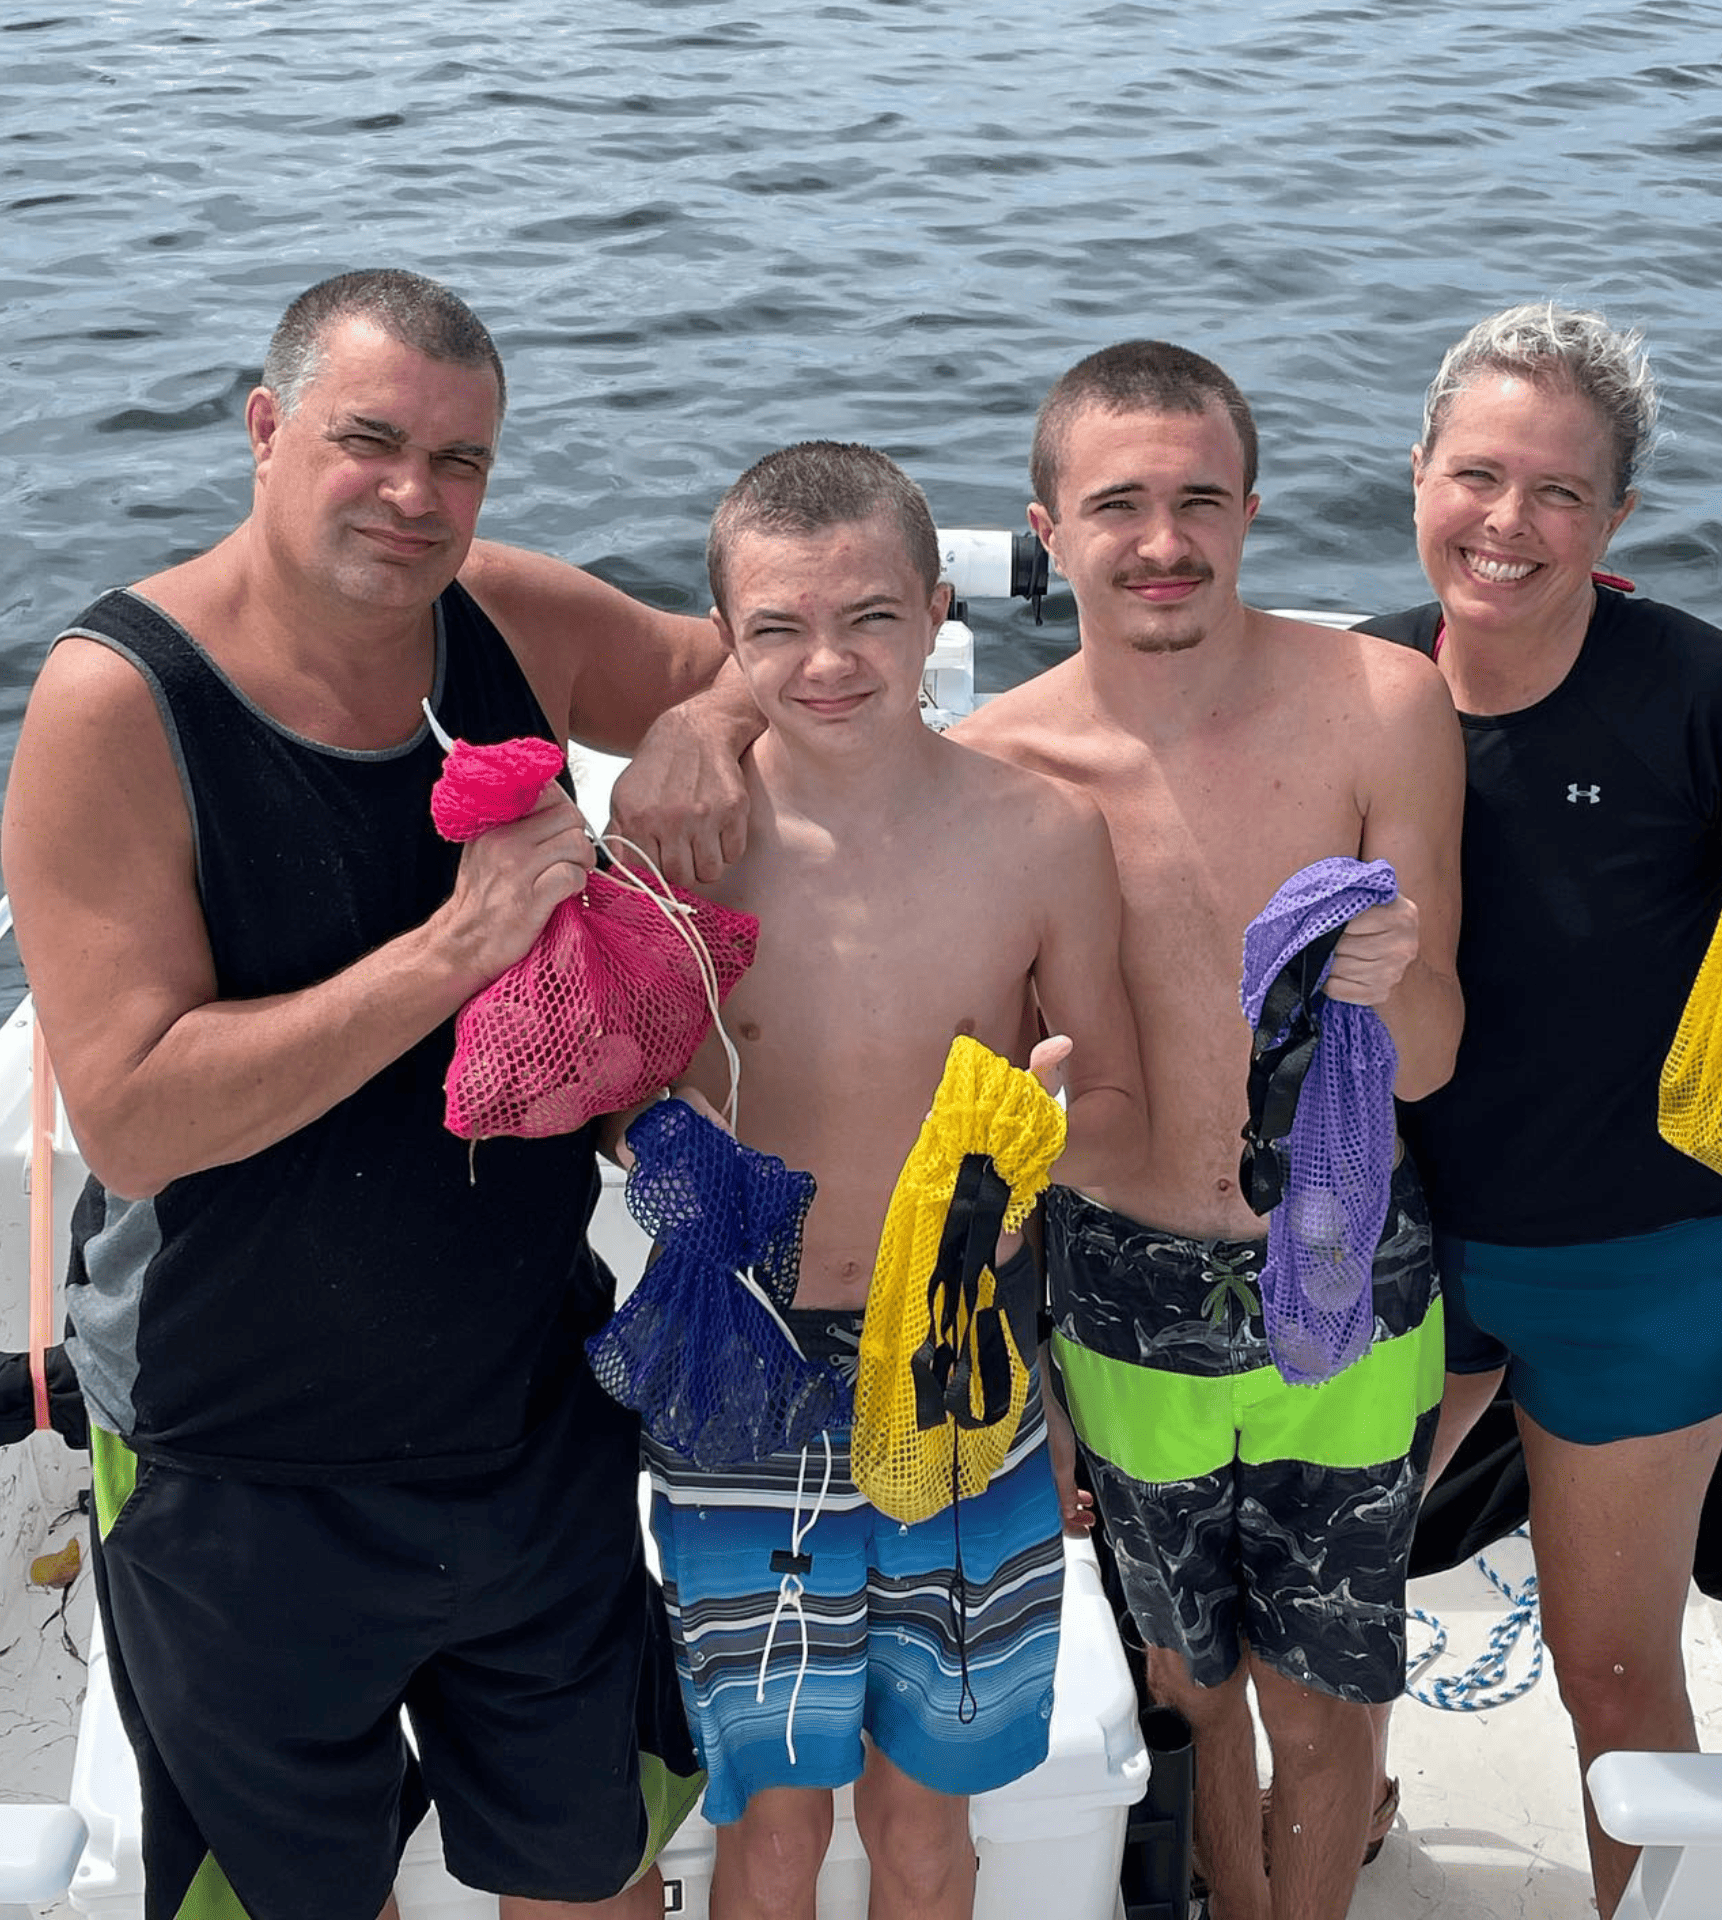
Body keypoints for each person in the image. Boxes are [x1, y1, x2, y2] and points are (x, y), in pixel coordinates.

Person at [1, 268, 764, 1920]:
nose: (417, 496)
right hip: (235, 1452)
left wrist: (708, 719)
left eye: (462, 461)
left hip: (525, 1410)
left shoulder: (513, 620)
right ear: (267, 430)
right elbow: (131, 1115)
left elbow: (749, 654)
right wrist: (455, 950)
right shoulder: (116, 703)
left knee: (599, 1868)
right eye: (371, 442)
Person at [1357, 301, 1722, 1920]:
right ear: (1417, 480)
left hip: (1635, 1254)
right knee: (1337, 1609)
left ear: (1616, 521)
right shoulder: (1353, 688)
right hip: (1395, 1246)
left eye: (1558, 493)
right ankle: (1358, 1806)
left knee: (1612, 1665)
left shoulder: (1710, 697)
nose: (1507, 524)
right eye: (1479, 477)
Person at [951, 343, 1466, 1920]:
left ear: (1251, 508)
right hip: (1120, 1299)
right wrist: (1018, 1382)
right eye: (1117, 505)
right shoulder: (991, 765)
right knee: (1189, 1682)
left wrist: (1396, 981)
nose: (1162, 541)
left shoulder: (1385, 702)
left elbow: (1434, 1057)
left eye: (1197, 500)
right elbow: (985, 1118)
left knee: (1327, 1693)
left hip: (1348, 1279)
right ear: (1049, 524)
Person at [637, 440, 1147, 1920]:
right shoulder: (683, 847)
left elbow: (1107, 1093)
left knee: (928, 1828)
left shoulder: (1041, 832)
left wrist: (1041, 1134)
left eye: (869, 618)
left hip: (963, 1369)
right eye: (778, 630)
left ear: (937, 614)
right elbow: (619, 1108)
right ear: (727, 644)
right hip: (743, 1371)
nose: (830, 663)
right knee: (776, 1829)